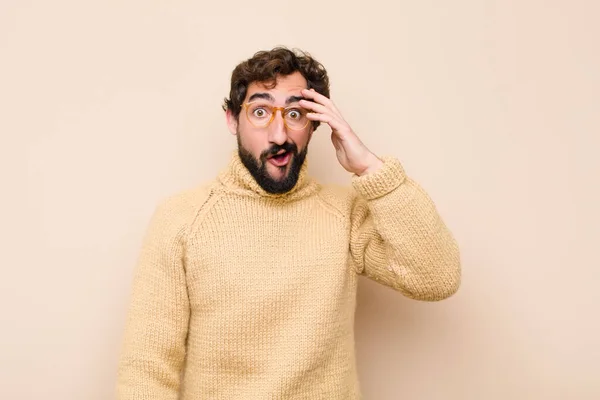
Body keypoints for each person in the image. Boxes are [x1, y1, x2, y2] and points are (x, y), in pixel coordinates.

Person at [116, 46, 461, 399]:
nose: (279, 135)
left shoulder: (344, 215)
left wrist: (370, 168)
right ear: (233, 120)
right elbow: (147, 368)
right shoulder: (181, 219)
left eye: (295, 113)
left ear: (314, 124)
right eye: (260, 111)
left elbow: (437, 277)